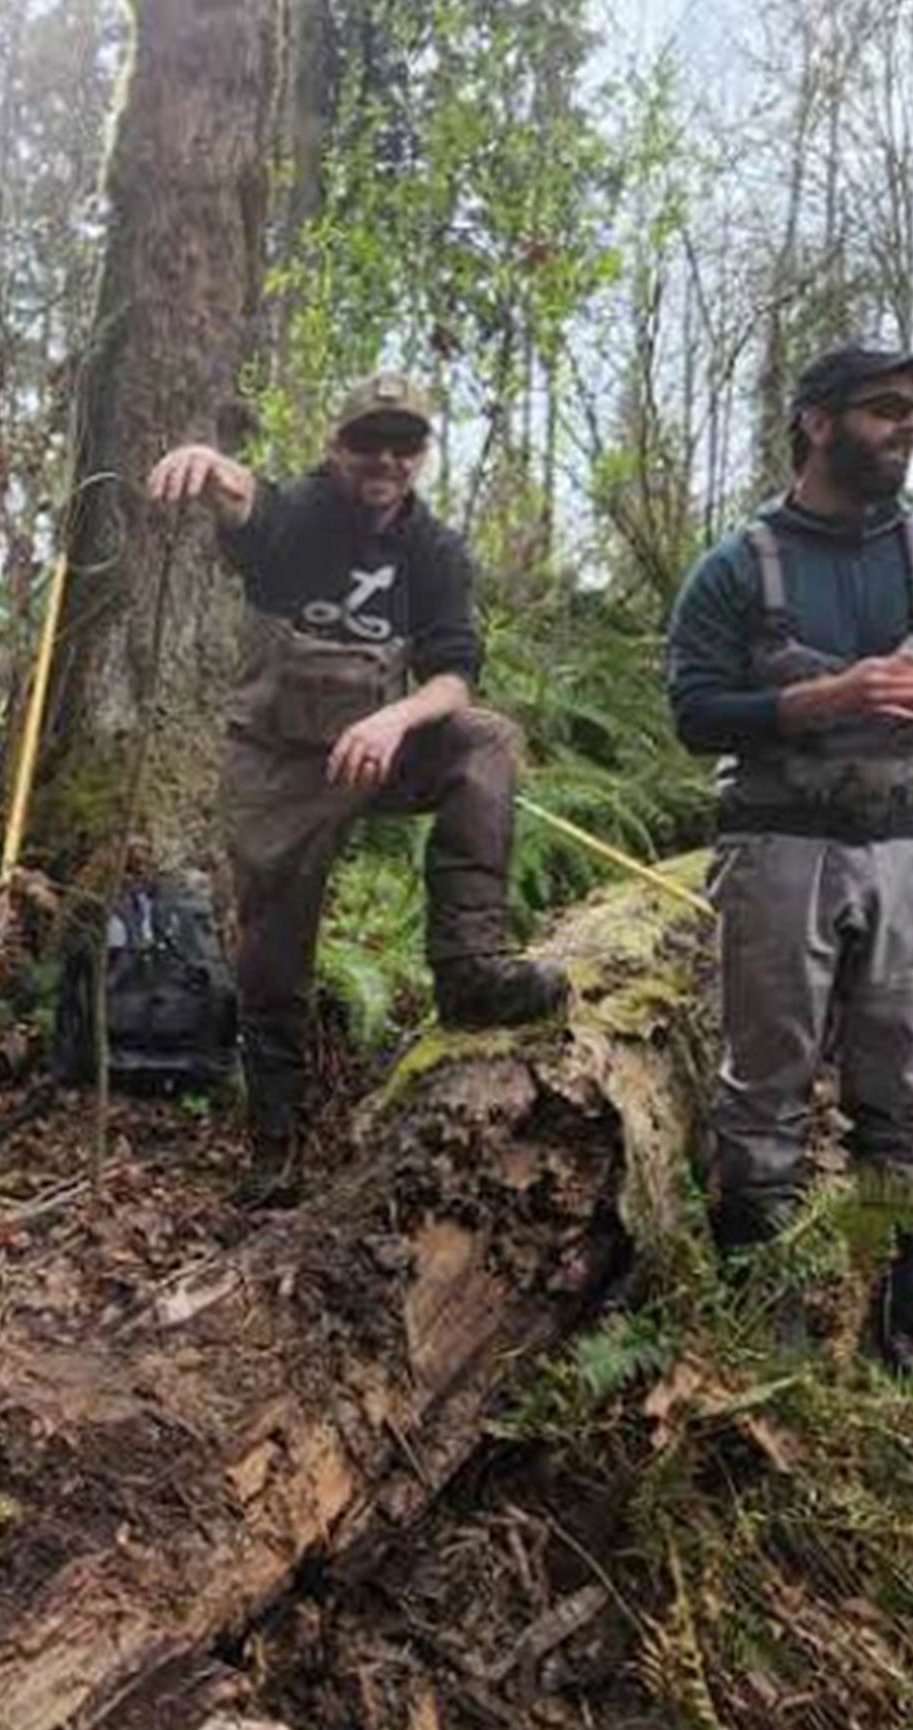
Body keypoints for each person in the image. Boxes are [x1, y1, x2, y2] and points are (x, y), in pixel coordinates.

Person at [665, 344, 913, 1378]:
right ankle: (763, 1317)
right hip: (780, 847)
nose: (906, 425)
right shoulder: (735, 568)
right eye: (881, 408)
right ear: (814, 422)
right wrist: (819, 699)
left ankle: (905, 1322)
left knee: (901, 1089)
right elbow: (692, 713)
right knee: (763, 1084)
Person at [149, 373, 569, 1208]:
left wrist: (394, 723)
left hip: (374, 751)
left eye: (403, 443)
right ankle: (274, 1147)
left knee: (483, 742)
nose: (384, 459)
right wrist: (209, 465)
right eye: (367, 441)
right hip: (278, 763)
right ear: (334, 447)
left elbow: (454, 676)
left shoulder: (436, 551)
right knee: (271, 955)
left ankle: (469, 967)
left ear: (419, 455)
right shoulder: (299, 516)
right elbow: (244, 505)